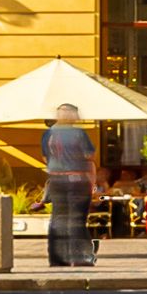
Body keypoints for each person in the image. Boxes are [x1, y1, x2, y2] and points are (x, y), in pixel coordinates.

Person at [43, 104, 97, 271]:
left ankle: (57, 259)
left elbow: (45, 158)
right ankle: (80, 258)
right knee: (76, 219)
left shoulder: (48, 134)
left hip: (56, 180)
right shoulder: (79, 133)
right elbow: (89, 155)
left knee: (57, 219)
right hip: (78, 179)